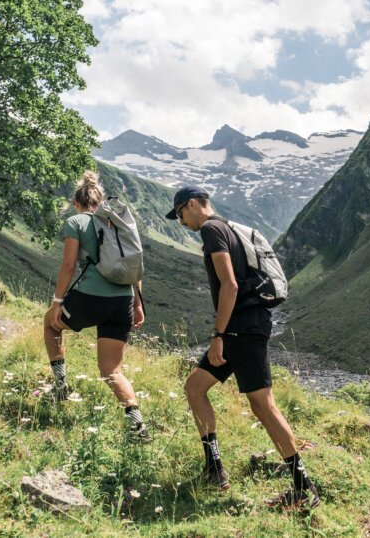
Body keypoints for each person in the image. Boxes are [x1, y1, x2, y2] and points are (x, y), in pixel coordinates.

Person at [169, 184, 321, 510]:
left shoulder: (211, 230)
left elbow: (230, 283)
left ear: (192, 204)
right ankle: (215, 469)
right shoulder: (228, 226)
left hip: (241, 330)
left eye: (180, 213)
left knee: (263, 406)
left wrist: (218, 334)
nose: (181, 221)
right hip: (244, 327)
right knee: (195, 387)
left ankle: (304, 487)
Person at [44, 171, 150, 442]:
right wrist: (139, 304)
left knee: (50, 322)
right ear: (100, 202)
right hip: (124, 300)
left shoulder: (76, 221)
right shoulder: (117, 222)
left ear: (77, 202)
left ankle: (61, 385)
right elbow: (134, 266)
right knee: (112, 370)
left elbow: (68, 265)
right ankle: (138, 426)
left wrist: (58, 303)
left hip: (91, 298)